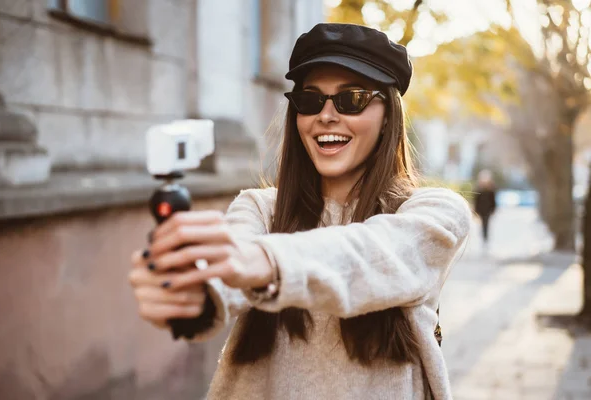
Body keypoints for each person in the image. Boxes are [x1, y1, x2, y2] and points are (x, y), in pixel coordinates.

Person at [129, 23, 471, 400]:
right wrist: (190, 293)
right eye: (310, 100)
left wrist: (263, 262)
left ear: (387, 115)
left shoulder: (434, 211)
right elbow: (224, 281)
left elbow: (374, 254)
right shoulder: (260, 209)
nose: (326, 115)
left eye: (350, 99)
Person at [474, 169, 497, 245]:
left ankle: (485, 237)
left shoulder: (491, 190)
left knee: (486, 223)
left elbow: (493, 200)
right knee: (482, 223)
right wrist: (475, 210)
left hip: (488, 210)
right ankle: (483, 236)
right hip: (481, 210)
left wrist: (493, 208)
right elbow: (476, 200)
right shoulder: (478, 189)